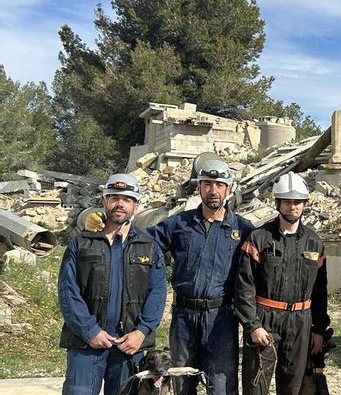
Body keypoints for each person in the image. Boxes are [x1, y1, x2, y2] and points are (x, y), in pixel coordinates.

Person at [146, 159, 255, 395]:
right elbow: (143, 242)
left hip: (221, 319)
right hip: (184, 318)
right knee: (182, 382)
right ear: (199, 188)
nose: (213, 191)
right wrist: (103, 225)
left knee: (222, 386)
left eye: (219, 185)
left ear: (228, 189)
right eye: (207, 184)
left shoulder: (243, 230)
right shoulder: (179, 224)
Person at [58, 174, 166, 395]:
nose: (120, 204)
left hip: (129, 345)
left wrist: (142, 332)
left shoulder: (149, 246)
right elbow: (68, 292)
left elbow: (158, 292)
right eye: (114, 197)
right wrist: (89, 330)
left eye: (127, 199)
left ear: (135, 205)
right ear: (105, 201)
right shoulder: (81, 243)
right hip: (86, 343)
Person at [235, 172, 330, 395]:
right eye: (287, 201)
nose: (292, 207)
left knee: (292, 387)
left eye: (297, 202)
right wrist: (253, 325)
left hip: (300, 323)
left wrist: (318, 328)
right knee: (256, 386)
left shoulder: (314, 243)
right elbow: (244, 286)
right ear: (278, 202)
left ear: (304, 204)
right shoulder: (259, 238)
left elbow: (320, 291)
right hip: (265, 320)